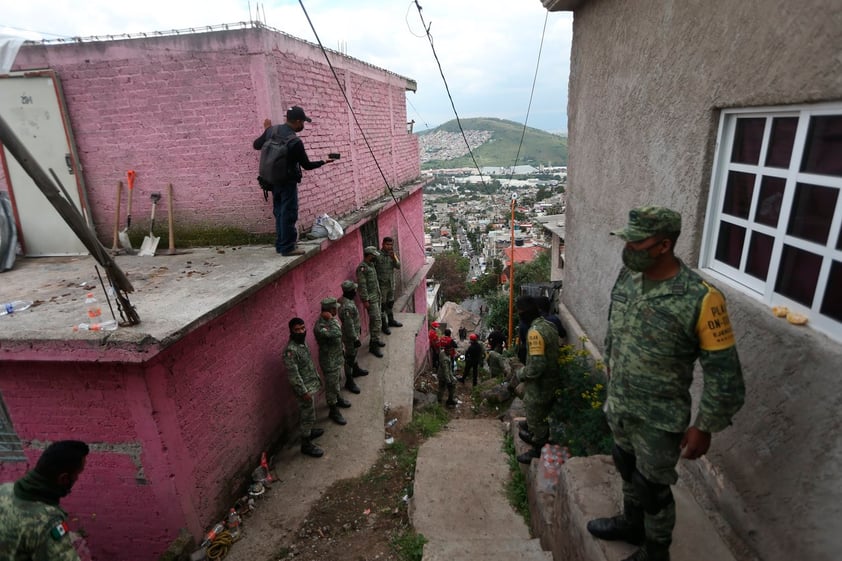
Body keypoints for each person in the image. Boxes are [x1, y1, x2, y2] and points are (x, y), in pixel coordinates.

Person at [587, 206, 745, 561]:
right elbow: (615, 329)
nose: (627, 249)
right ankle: (631, 523)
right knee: (625, 464)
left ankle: (656, 552)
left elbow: (725, 375)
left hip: (660, 418)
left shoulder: (701, 298)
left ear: (663, 245)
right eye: (626, 240)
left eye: (637, 242)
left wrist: (704, 427)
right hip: (622, 404)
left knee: (653, 488)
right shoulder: (628, 278)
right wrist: (612, 368)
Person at [253, 106, 334, 256]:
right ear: (297, 121)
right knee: (289, 213)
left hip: (272, 180)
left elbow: (256, 145)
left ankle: (280, 245)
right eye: (303, 122)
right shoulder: (295, 141)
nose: (303, 125)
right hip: (288, 182)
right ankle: (288, 247)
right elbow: (307, 166)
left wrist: (267, 131)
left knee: (279, 212)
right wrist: (324, 161)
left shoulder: (272, 130)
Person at [0, 440, 89, 561]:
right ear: (64, 479)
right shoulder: (48, 523)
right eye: (78, 474)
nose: (77, 478)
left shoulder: (5, 489)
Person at [514, 295, 561, 465]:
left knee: (534, 409)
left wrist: (521, 374)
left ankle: (538, 449)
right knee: (543, 411)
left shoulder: (534, 333)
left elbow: (536, 366)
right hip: (552, 378)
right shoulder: (548, 325)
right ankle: (537, 432)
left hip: (541, 383)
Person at [284, 317, 326, 457]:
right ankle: (306, 444)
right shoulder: (290, 351)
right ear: (291, 331)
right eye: (297, 330)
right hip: (303, 390)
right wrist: (304, 392)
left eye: (303, 328)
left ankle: (309, 432)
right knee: (306, 416)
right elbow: (294, 376)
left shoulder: (302, 343)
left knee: (310, 413)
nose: (301, 331)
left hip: (310, 384)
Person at [313, 298, 352, 426]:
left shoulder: (329, 322)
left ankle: (338, 398)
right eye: (335, 308)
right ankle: (333, 410)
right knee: (331, 386)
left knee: (337, 381)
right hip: (329, 362)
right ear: (329, 310)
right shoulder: (320, 326)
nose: (337, 310)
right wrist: (331, 320)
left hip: (336, 358)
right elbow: (337, 333)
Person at [356, 246, 386, 357]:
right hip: (370, 299)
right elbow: (362, 286)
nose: (375, 258)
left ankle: (375, 339)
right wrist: (365, 300)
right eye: (374, 256)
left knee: (377, 321)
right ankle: (373, 345)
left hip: (376, 297)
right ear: (369, 255)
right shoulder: (362, 268)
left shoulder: (371, 265)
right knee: (376, 320)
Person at [338, 280, 368, 387]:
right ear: (350, 291)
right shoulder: (347, 306)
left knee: (353, 354)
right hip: (350, 336)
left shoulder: (346, 300)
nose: (356, 291)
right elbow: (349, 325)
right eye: (354, 290)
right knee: (350, 357)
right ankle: (349, 381)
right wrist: (355, 339)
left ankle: (355, 370)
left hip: (353, 333)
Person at [375, 237, 402, 333]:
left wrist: (393, 258)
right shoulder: (377, 255)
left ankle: (391, 321)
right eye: (387, 244)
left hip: (391, 284)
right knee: (382, 306)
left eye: (390, 245)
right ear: (383, 244)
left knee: (390, 304)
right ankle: (384, 325)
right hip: (381, 286)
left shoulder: (392, 255)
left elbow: (398, 266)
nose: (389, 246)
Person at [436, 342, 458, 407]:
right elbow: (446, 371)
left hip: (441, 374)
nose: (451, 351)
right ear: (446, 350)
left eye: (451, 350)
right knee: (450, 387)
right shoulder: (445, 359)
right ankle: (449, 400)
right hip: (444, 376)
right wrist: (449, 380)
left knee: (441, 388)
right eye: (450, 350)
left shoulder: (442, 352)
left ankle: (439, 400)